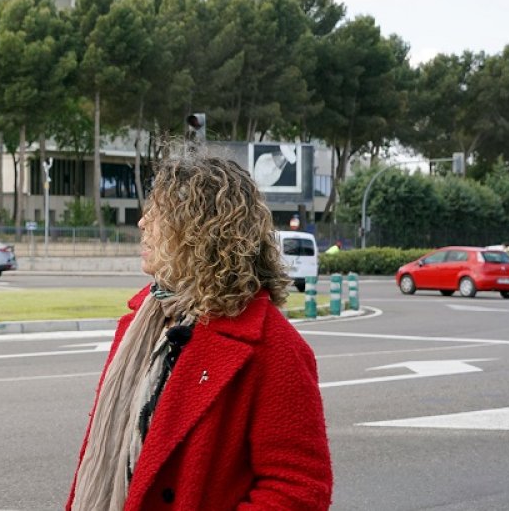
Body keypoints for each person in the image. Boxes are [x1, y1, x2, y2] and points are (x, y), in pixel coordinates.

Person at [68, 153, 332, 510]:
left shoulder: (273, 347)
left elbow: (298, 487)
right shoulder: (141, 322)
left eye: (158, 214)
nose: (143, 222)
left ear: (200, 230)